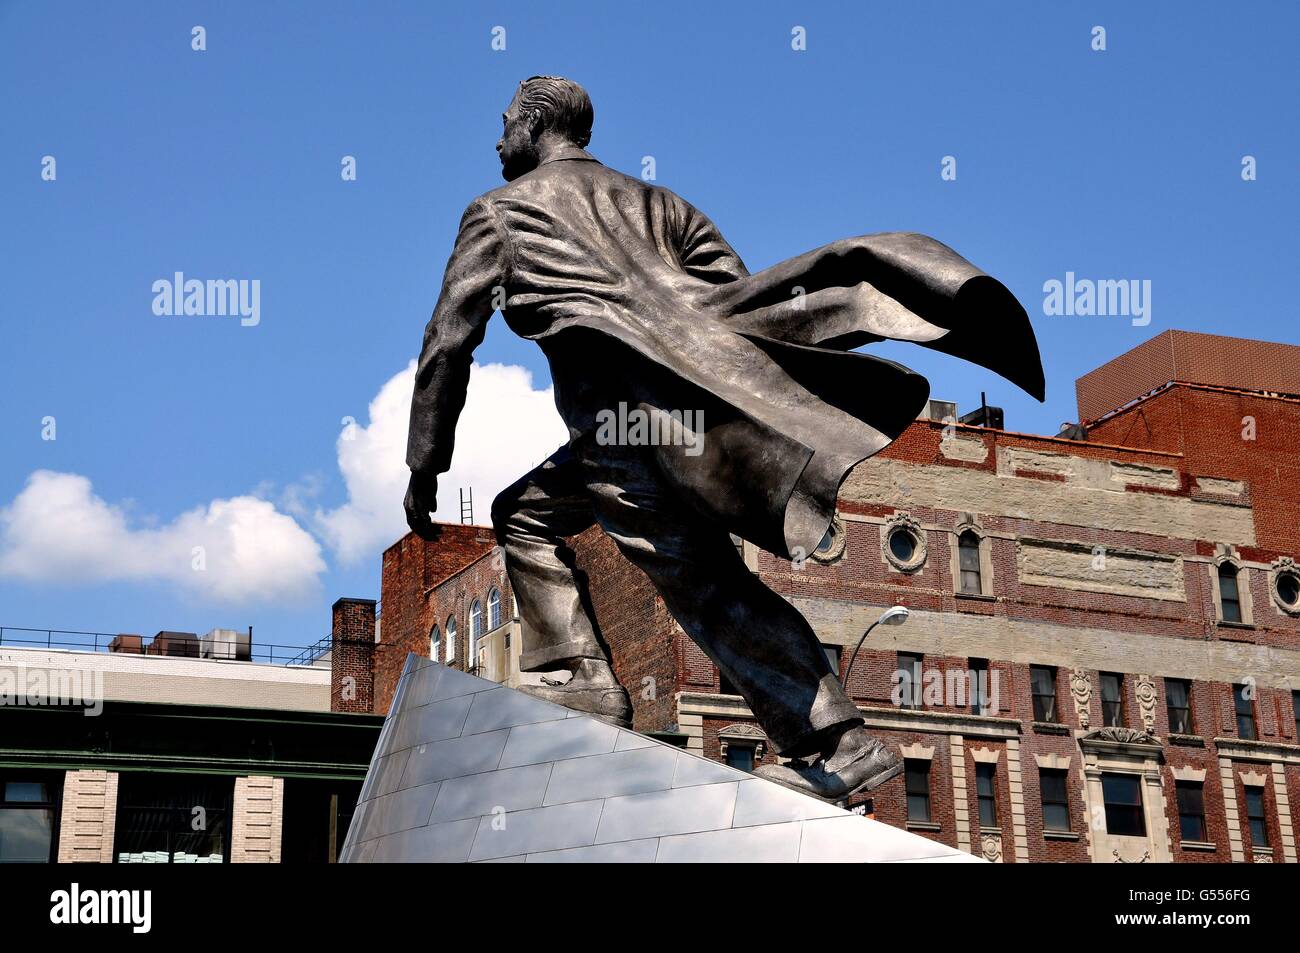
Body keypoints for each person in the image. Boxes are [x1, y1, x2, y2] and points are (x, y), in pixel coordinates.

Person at [405, 76, 1043, 799]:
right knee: (525, 513)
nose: (496, 141)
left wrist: (424, 463)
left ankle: (839, 741)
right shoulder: (659, 202)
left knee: (703, 582)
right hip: (670, 425)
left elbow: (446, 341)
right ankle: (584, 677)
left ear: (535, 123)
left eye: (504, 124)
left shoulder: (498, 214)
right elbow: (734, 299)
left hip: (622, 431)